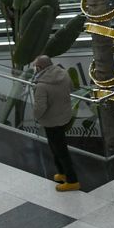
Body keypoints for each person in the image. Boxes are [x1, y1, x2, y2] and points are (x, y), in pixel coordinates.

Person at [30, 55, 79, 191]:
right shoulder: (64, 74)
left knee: (60, 151)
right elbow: (71, 88)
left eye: (36, 66)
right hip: (64, 116)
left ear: (40, 67)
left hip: (51, 121)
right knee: (56, 147)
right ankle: (62, 173)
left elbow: (40, 107)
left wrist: (35, 117)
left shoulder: (41, 85)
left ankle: (72, 181)